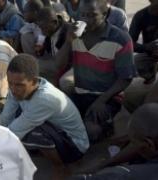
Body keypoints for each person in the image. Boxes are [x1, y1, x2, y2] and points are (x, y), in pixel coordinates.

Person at [0, 54, 89, 179]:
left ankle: (60, 167)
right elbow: (5, 117)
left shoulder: (45, 99)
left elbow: (15, 131)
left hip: (75, 146)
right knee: (17, 120)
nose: (13, 89)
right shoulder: (16, 88)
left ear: (34, 81)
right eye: (10, 83)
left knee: (31, 133)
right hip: (55, 130)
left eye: (19, 85)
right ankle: (43, 151)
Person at [56, 0, 136, 142]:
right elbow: (58, 65)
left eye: (92, 15)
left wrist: (101, 100)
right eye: (83, 15)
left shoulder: (120, 39)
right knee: (55, 123)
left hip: (108, 97)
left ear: (105, 14)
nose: (86, 20)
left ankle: (107, 126)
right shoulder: (74, 35)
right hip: (81, 93)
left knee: (90, 132)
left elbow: (126, 78)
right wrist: (68, 42)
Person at [69, 103, 158, 180]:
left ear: (149, 144)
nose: (131, 146)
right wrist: (104, 165)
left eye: (133, 142)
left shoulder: (123, 175)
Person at [129, 0, 158, 84]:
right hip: (151, 52)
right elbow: (130, 43)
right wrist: (147, 47)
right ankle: (151, 73)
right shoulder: (141, 16)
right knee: (131, 65)